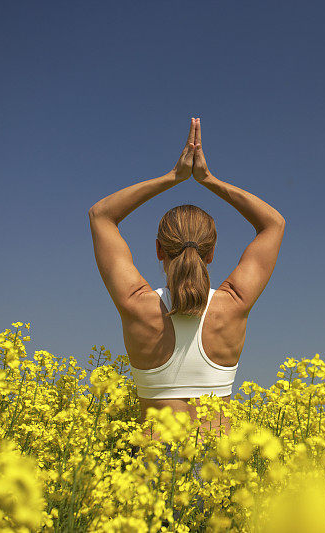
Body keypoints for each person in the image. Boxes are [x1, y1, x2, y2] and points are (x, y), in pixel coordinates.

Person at [88, 117, 285, 446]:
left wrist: (172, 178)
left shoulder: (136, 303)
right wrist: (207, 179)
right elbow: (273, 224)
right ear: (211, 254)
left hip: (153, 463)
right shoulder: (234, 303)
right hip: (217, 468)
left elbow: (101, 215)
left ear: (157, 250)